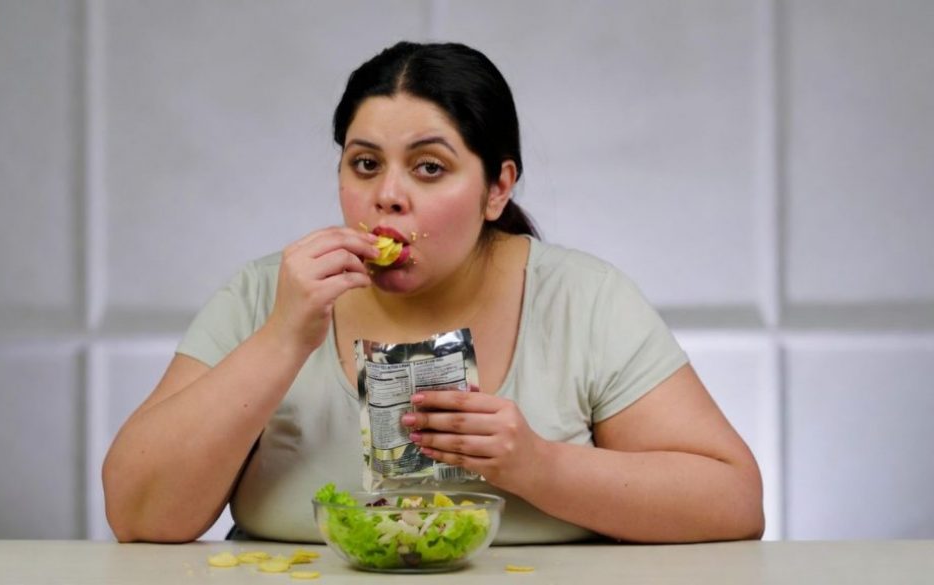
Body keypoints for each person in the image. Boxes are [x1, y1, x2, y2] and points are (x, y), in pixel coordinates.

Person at [102, 41, 764, 544]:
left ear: (497, 188)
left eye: (429, 167)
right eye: (365, 164)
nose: (388, 193)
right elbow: (137, 515)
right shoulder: (265, 293)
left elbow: (734, 502)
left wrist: (538, 466)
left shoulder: (579, 299)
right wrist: (282, 338)